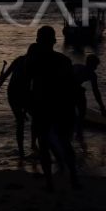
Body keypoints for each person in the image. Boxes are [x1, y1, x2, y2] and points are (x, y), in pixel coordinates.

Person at [25, 26, 81, 191]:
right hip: (63, 106)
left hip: (43, 106)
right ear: (54, 41)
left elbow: (27, 85)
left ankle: (50, 182)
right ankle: (74, 178)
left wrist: (27, 106)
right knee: (65, 143)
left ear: (38, 41)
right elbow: (72, 87)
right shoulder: (64, 60)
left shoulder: (34, 62)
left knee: (44, 145)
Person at [1, 55, 36, 158]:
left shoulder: (33, 63)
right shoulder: (20, 61)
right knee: (20, 121)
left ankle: (33, 144)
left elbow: (32, 85)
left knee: (34, 116)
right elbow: (5, 75)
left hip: (25, 93)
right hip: (13, 94)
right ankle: (22, 151)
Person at [72, 54, 106, 139]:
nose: (95, 68)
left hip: (77, 90)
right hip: (67, 89)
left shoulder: (93, 75)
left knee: (82, 111)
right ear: (89, 64)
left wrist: (102, 106)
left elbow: (96, 92)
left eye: (96, 66)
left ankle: (79, 132)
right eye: (95, 65)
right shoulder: (77, 68)